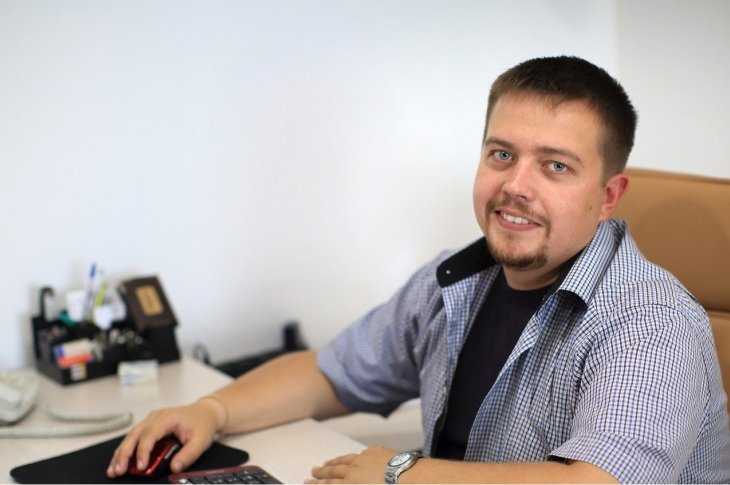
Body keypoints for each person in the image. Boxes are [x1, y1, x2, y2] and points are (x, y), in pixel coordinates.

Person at [107, 56, 730, 483]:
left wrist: (402, 473)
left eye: (555, 166)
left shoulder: (653, 320)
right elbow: (332, 373)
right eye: (501, 154)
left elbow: (598, 482)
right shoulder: (458, 279)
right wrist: (211, 412)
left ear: (609, 195)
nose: (516, 185)